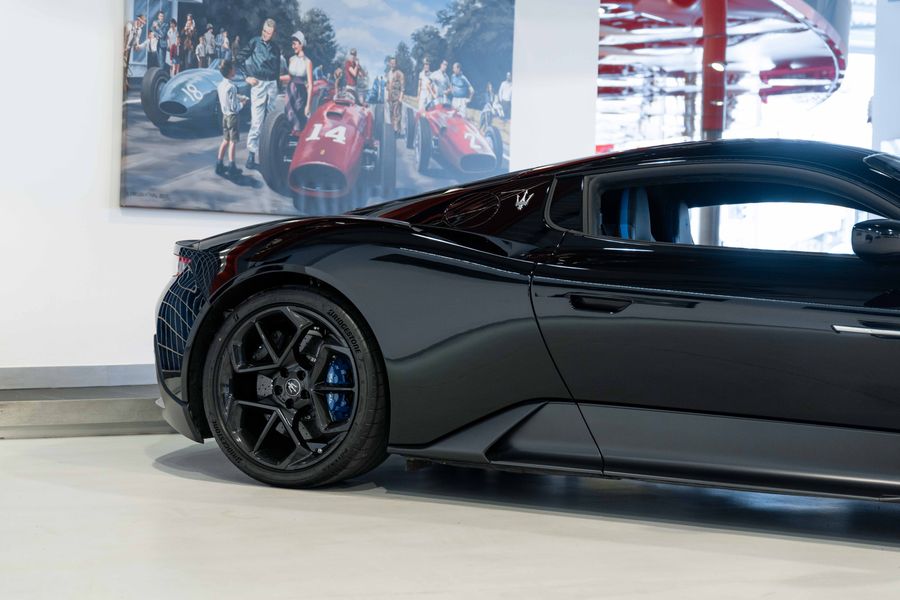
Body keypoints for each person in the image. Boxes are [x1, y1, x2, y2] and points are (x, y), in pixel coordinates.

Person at [237, 18, 283, 170]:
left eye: (269, 33)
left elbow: (277, 70)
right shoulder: (254, 42)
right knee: (256, 122)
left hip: (272, 85)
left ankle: (269, 156)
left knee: (271, 122)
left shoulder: (276, 49)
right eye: (264, 31)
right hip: (258, 84)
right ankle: (251, 155)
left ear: (273, 34)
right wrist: (246, 77)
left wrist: (277, 86)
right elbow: (238, 59)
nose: (265, 34)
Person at [216, 59, 249, 178]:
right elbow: (234, 107)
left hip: (225, 116)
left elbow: (229, 98)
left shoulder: (220, 85)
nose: (235, 70)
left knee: (225, 140)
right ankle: (232, 166)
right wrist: (243, 103)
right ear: (230, 71)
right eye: (234, 68)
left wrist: (239, 97)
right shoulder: (232, 87)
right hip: (233, 117)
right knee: (233, 142)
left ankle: (219, 164)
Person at [279, 31, 314, 134]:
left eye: (295, 44)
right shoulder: (291, 59)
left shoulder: (308, 62)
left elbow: (310, 85)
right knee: (289, 114)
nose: (292, 46)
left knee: (299, 118)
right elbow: (290, 77)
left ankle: (298, 138)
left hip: (300, 92)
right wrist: (277, 78)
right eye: (292, 44)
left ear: (301, 44)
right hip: (290, 91)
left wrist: (308, 105)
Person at [386, 56, 405, 136]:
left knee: (397, 114)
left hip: (397, 97)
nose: (392, 64)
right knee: (391, 114)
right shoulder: (389, 73)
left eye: (394, 63)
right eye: (391, 63)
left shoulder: (400, 74)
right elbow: (388, 86)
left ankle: (397, 131)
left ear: (396, 64)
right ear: (390, 64)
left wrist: (401, 97)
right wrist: (387, 96)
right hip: (390, 97)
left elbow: (402, 87)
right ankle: (393, 130)